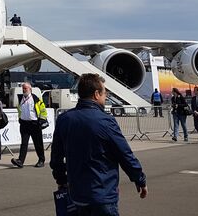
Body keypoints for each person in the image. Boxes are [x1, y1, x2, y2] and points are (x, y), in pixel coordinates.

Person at [51, 73, 147, 215]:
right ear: (96, 94)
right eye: (104, 93)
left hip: (77, 195)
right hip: (102, 193)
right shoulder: (105, 121)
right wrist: (139, 179)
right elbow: (124, 154)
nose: (105, 96)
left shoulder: (64, 119)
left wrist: (61, 179)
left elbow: (56, 156)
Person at [11, 82, 47, 168]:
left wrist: (42, 120)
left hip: (35, 124)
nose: (24, 90)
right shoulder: (20, 99)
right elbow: (19, 110)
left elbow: (43, 110)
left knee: (38, 143)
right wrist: (20, 119)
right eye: (23, 88)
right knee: (24, 143)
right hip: (24, 124)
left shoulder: (36, 99)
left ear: (30, 89)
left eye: (25, 88)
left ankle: (41, 160)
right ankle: (20, 161)